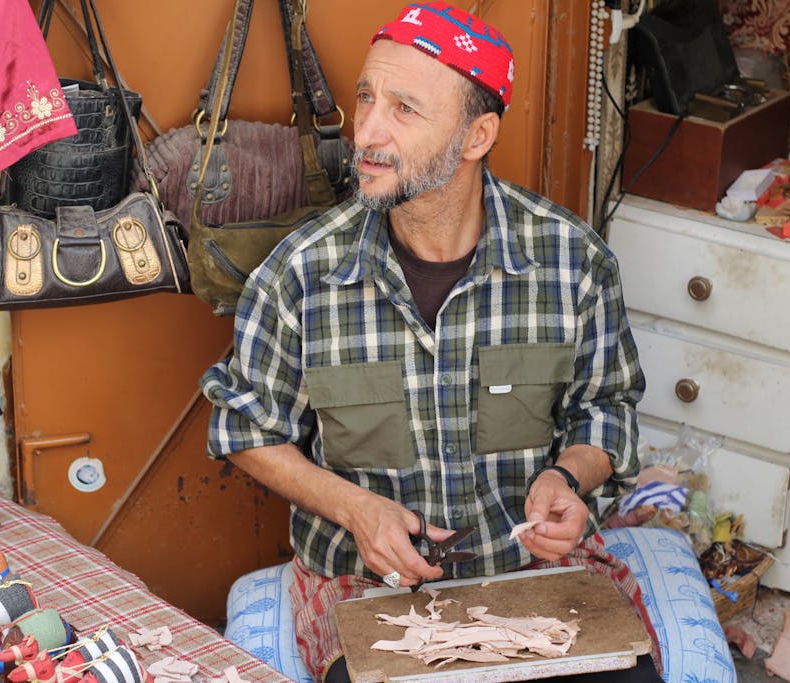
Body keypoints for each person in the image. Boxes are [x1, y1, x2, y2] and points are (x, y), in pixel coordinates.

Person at [201, 3, 661, 681]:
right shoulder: (302, 275)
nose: (368, 134)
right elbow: (243, 428)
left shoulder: (572, 263)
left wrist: (569, 477)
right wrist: (356, 508)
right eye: (366, 99)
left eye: (404, 109)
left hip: (532, 574)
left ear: (477, 135)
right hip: (365, 585)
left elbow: (607, 408)